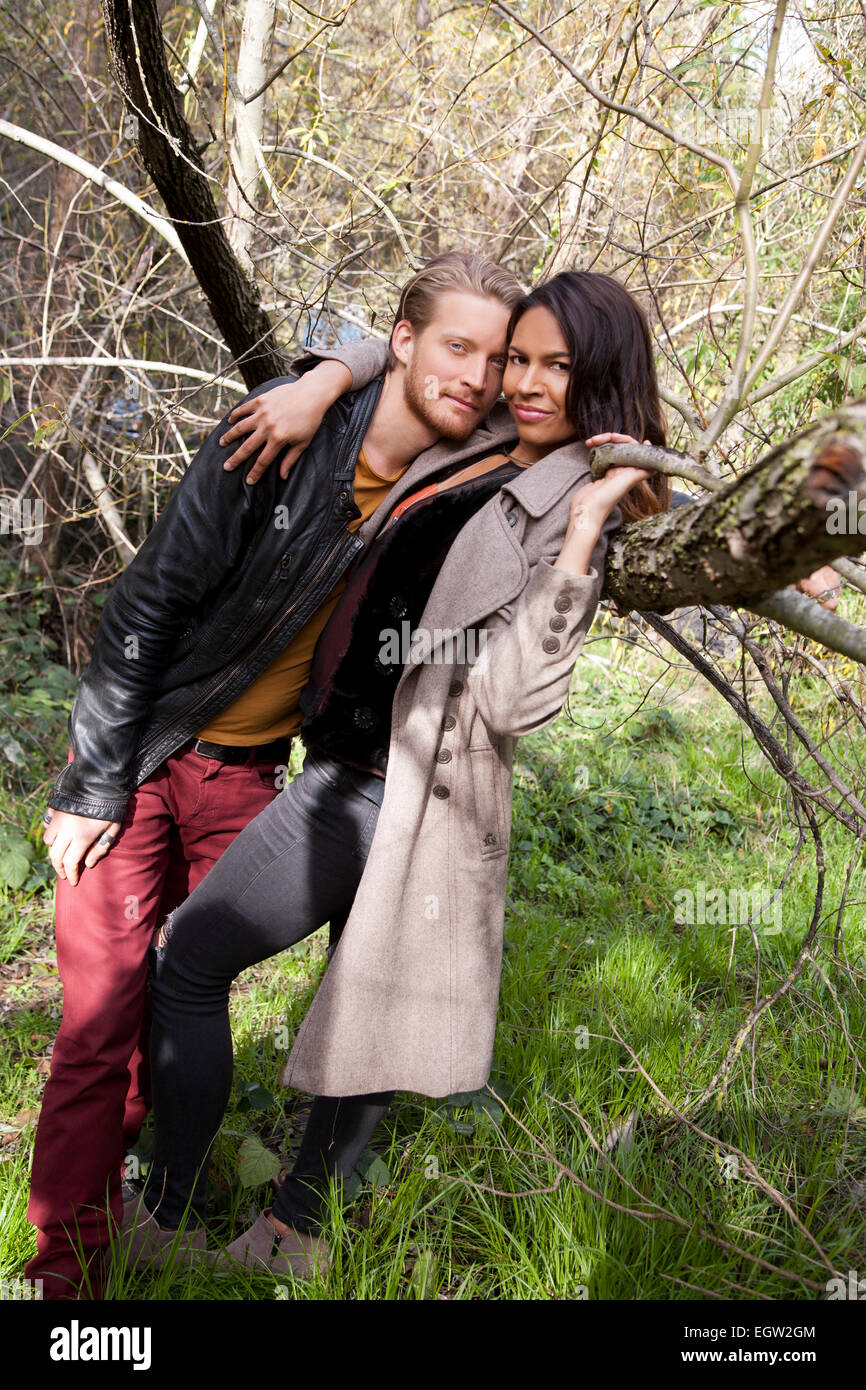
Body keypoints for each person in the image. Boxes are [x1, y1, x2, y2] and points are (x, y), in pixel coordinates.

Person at [127, 271, 669, 1281]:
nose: (527, 380)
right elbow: (418, 350)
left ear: (601, 377)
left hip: (399, 785)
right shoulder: (485, 439)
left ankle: (182, 1209)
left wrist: (589, 529)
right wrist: (333, 371)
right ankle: (279, 1226)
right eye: (522, 358)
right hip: (342, 756)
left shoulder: (570, 503)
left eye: (558, 365)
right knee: (355, 994)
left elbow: (514, 702)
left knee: (194, 960)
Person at [27, 251, 524, 1300]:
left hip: (256, 778)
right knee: (98, 1019)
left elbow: (562, 422)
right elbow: (145, 608)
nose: (475, 377)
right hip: (146, 754)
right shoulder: (275, 439)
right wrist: (95, 781)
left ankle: (149, 1199)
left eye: (493, 357)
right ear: (402, 341)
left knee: (178, 989)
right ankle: (66, 1283)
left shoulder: (459, 465)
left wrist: (328, 368)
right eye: (454, 347)